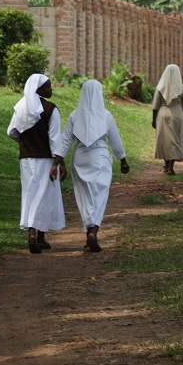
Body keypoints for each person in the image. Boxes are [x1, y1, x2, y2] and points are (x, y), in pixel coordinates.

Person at [60, 79, 130, 253]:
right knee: (99, 195)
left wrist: (58, 162)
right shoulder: (106, 116)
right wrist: (123, 160)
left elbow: (65, 141)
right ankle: (93, 232)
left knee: (83, 196)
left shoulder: (74, 116)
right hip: (99, 158)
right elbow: (115, 140)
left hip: (80, 158)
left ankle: (89, 234)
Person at [7, 74, 67, 254]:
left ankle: (34, 235)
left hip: (26, 159)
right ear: (38, 89)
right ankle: (38, 236)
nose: (51, 89)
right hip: (47, 160)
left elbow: (12, 132)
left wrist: (26, 143)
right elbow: (56, 139)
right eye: (48, 87)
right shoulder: (50, 109)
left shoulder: (21, 107)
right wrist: (58, 164)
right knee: (45, 196)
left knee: (30, 194)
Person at [152, 64, 183, 175]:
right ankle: (170, 167)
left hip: (162, 114)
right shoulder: (181, 87)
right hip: (176, 114)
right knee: (174, 140)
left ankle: (166, 165)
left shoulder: (160, 87)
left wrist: (153, 119)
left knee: (164, 140)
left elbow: (155, 105)